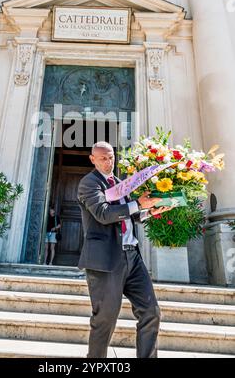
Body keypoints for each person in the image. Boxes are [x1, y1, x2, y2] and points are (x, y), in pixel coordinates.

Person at [77, 141, 173, 358]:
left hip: (133, 257)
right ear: (92, 159)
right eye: (102, 158)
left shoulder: (121, 183)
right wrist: (138, 205)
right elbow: (103, 213)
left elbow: (133, 214)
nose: (108, 161)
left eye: (111, 157)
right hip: (106, 260)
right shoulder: (89, 183)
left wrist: (153, 210)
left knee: (151, 312)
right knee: (105, 319)